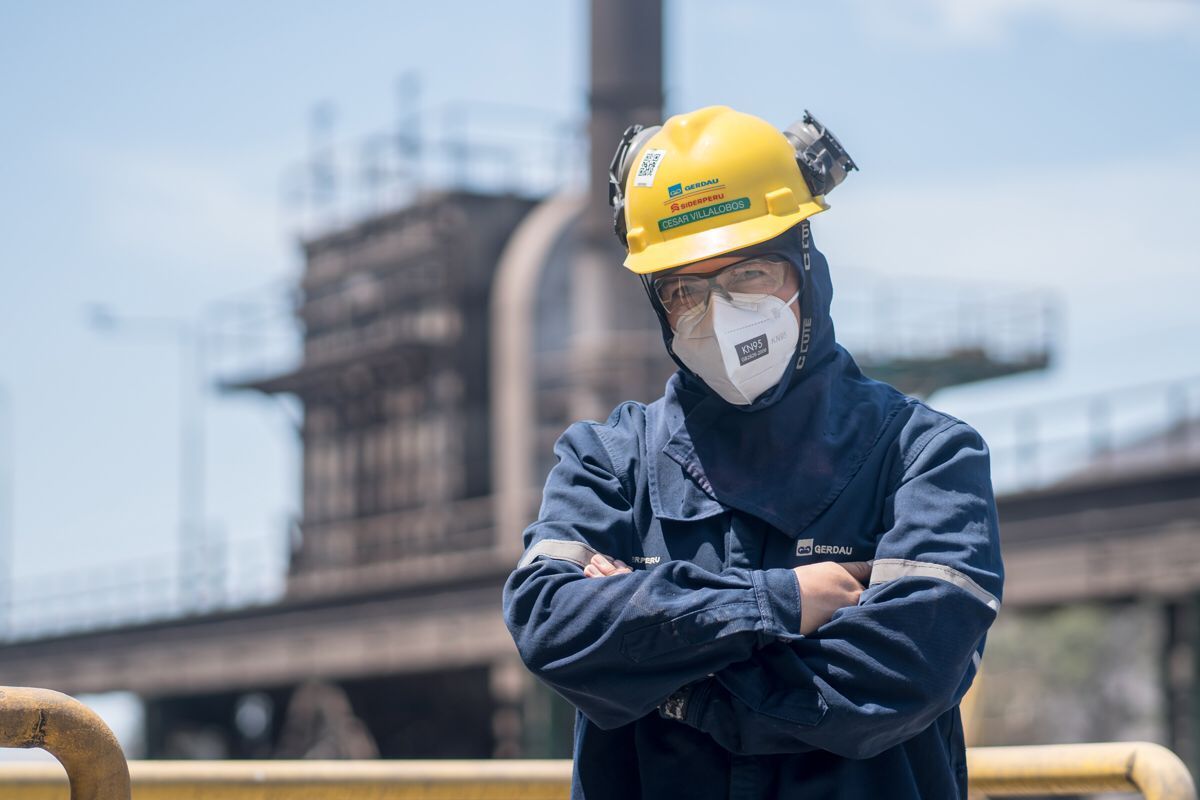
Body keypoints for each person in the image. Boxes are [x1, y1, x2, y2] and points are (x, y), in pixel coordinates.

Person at [502, 105, 1003, 799]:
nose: (722, 313)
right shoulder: (608, 460)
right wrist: (777, 603)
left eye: (751, 275)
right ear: (659, 307)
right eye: (685, 291)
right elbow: (551, 627)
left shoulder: (924, 457)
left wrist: (671, 691)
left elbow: (904, 674)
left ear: (805, 265)